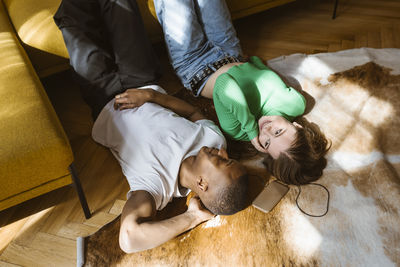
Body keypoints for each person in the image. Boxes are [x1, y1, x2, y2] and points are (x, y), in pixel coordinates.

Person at [54, 0, 248, 253]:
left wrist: (193, 218)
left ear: (202, 184)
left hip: (103, 97)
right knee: (121, 5)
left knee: (73, 18)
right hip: (143, 81)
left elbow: (129, 238)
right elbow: (192, 111)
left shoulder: (155, 188)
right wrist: (151, 97)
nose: (224, 153)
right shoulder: (215, 142)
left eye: (223, 162)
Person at [153, 0, 330, 185]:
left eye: (267, 142)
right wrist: (254, 63)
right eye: (278, 131)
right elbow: (266, 75)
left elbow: (224, 83)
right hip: (229, 50)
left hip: (195, 64)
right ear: (299, 127)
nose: (267, 131)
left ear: (263, 150)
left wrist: (251, 130)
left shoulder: (239, 129)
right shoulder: (295, 103)